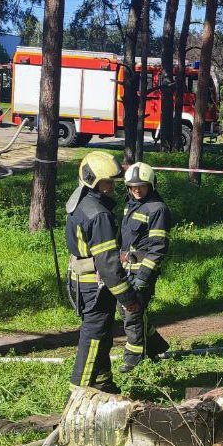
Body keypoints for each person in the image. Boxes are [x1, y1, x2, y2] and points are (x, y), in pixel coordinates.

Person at [65, 151, 141, 393]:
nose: (112, 187)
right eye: (108, 182)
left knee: (103, 335)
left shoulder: (80, 201)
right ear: (93, 181)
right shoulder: (99, 215)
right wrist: (128, 298)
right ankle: (80, 392)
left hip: (81, 280)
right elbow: (108, 265)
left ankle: (103, 384)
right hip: (95, 287)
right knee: (94, 338)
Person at [118, 161, 172, 371]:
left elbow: (158, 248)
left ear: (151, 185)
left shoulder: (158, 209)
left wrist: (143, 277)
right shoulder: (130, 205)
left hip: (142, 272)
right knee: (126, 312)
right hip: (125, 270)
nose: (137, 190)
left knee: (132, 314)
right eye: (133, 187)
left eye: (141, 186)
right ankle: (157, 346)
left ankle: (133, 361)